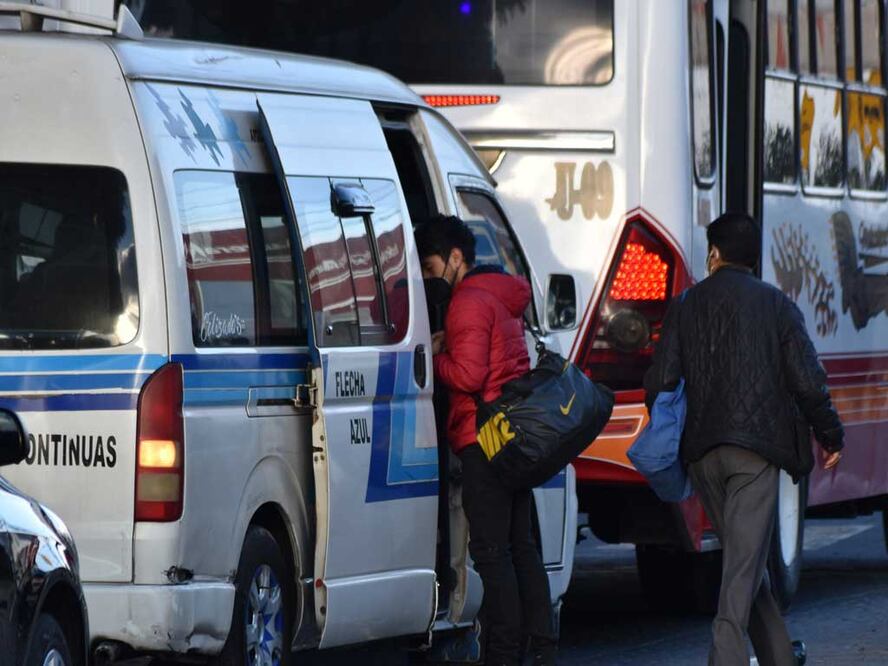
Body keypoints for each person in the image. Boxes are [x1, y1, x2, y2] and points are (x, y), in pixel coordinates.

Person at [644, 211, 844, 666]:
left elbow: (660, 382)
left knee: (747, 565)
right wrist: (830, 435)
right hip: (756, 455)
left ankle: (779, 657)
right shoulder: (776, 306)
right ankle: (726, 659)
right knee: (742, 569)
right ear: (755, 259)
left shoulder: (685, 305)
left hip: (703, 456)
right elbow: (809, 382)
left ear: (715, 253)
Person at [415, 215, 557, 666]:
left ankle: (504, 652)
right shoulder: (497, 296)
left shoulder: (467, 302)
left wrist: (433, 359)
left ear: (457, 258)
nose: (427, 278)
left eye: (432, 266)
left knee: (493, 555)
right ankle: (541, 648)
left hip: (480, 439)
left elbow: (470, 375)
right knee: (521, 549)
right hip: (507, 438)